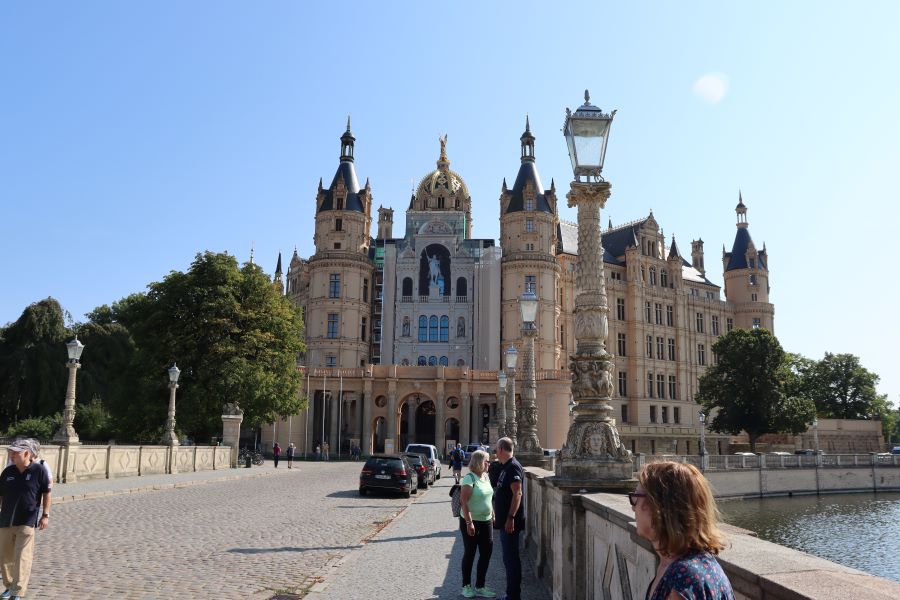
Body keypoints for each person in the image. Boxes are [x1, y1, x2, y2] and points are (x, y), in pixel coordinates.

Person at [630, 461, 735, 600]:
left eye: (635, 498)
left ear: (659, 507)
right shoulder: (692, 564)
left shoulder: (682, 582)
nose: (633, 508)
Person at [0, 439, 51, 600]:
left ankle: (18, 591)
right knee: (5, 557)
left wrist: (45, 515)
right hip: (5, 520)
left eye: (15, 452)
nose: (11, 455)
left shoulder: (39, 470)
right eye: (11, 452)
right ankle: (9, 586)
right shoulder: (7, 472)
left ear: (27, 454)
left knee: (22, 557)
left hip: (27, 520)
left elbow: (46, 492)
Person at [458, 450, 496, 598]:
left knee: (486, 553)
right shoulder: (469, 478)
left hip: (486, 521)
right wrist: (469, 522)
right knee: (470, 553)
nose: (489, 463)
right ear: (479, 462)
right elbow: (464, 501)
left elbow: (488, 495)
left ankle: (480, 585)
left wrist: (492, 511)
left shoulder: (486, 476)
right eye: (487, 460)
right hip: (470, 521)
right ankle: (466, 586)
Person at [492, 437, 524, 600]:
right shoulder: (506, 467)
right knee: (508, 558)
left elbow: (517, 494)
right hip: (505, 522)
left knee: (511, 559)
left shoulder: (513, 467)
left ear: (502, 450)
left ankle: (513, 595)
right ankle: (511, 593)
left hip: (510, 523)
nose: (495, 452)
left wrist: (510, 517)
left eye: (496, 449)